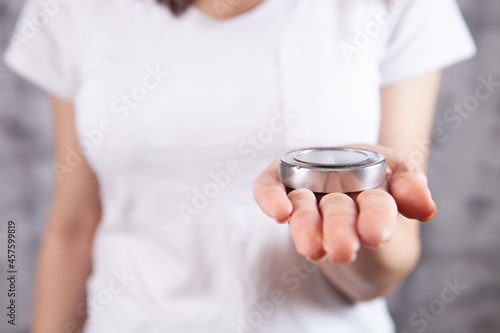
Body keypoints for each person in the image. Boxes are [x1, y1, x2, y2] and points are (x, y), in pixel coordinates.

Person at [4, 0, 476, 332]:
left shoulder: (400, 4)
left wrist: (350, 228)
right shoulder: (72, 7)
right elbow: (72, 225)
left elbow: (387, 264)